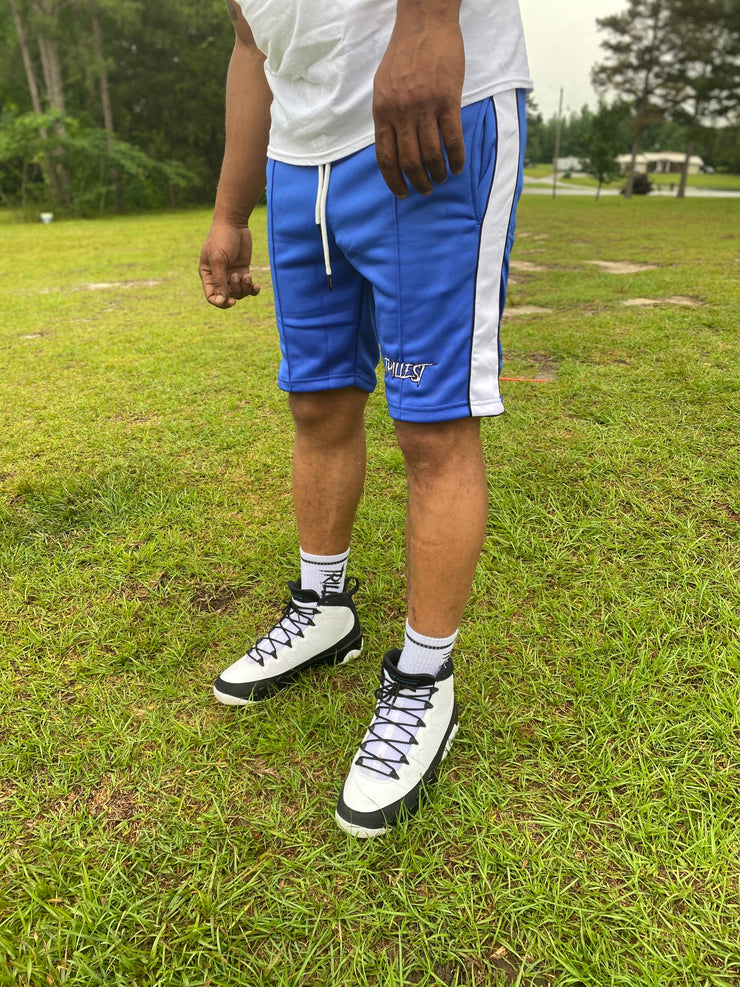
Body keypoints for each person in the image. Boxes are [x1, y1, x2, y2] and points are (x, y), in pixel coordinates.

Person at [198, 0, 531, 838]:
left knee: (432, 422)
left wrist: (427, 24)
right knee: (316, 403)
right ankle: (325, 608)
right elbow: (250, 43)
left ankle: (424, 679)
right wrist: (231, 212)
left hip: (426, 117)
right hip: (294, 161)